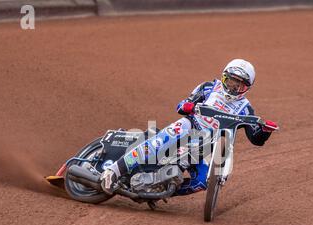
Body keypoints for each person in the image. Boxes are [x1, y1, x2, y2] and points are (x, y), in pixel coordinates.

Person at [100, 58, 278, 195]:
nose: (233, 87)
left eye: (239, 85)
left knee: (202, 181)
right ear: (224, 77)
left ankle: (158, 190)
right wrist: (188, 106)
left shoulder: (246, 108)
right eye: (231, 81)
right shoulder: (208, 88)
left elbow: (256, 139)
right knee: (158, 143)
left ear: (247, 88)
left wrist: (265, 131)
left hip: (208, 148)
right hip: (189, 127)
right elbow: (183, 104)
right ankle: (112, 172)